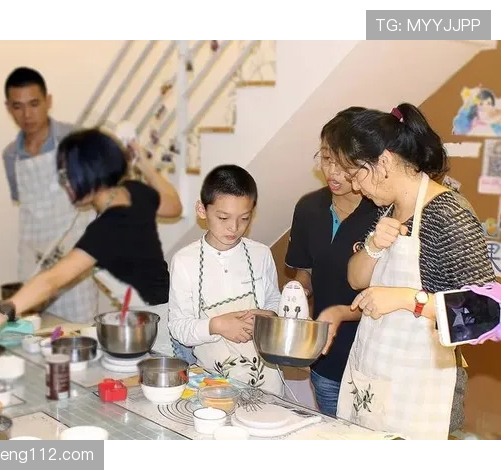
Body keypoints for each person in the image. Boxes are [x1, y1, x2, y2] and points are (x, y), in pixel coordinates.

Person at [323, 103, 496, 439]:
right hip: (374, 377)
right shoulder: (389, 208)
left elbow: (487, 313)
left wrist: (408, 300)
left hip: (420, 388)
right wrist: (374, 245)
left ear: (384, 162)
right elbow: (356, 279)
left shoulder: (447, 214)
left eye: (357, 174)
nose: (355, 187)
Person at [0, 129, 182, 356]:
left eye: (67, 174)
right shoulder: (133, 191)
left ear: (89, 172)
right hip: (165, 315)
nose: (64, 183)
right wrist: (145, 164)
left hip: (158, 332)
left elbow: (52, 280)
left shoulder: (110, 226)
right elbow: (174, 205)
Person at [168, 165, 284, 394]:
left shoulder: (261, 254)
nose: (234, 227)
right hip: (214, 385)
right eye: (223, 217)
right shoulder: (184, 261)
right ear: (202, 210)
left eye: (244, 218)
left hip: (268, 383)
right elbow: (178, 327)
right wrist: (217, 325)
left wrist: (267, 317)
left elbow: (275, 301)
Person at [284, 142, 379, 416]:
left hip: (371, 361)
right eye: (326, 159)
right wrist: (297, 291)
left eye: (343, 163)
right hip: (325, 360)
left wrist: (341, 312)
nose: (332, 172)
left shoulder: (382, 210)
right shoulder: (309, 208)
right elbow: (306, 272)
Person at [2, 67, 97, 324]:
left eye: (34, 104)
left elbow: (98, 195)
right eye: (18, 106)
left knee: (78, 331)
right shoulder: (10, 155)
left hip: (73, 262)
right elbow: (23, 202)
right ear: (8, 108)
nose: (27, 115)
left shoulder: (74, 140)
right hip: (34, 260)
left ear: (48, 101)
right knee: (32, 331)